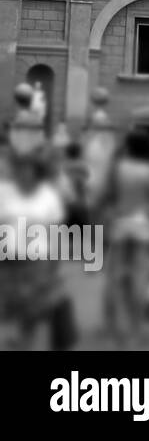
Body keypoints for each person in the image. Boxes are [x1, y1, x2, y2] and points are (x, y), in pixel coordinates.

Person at [0, 148, 73, 350]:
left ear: (36, 172)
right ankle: (17, 340)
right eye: (20, 169)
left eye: (28, 169)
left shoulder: (49, 196)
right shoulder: (4, 193)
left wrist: (57, 265)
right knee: (10, 310)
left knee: (32, 312)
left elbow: (56, 232)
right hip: (7, 262)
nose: (24, 174)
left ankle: (25, 343)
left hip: (36, 263)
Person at [102, 130, 149, 348]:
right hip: (142, 223)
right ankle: (135, 333)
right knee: (139, 278)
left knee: (115, 278)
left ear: (128, 146)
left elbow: (106, 195)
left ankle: (112, 331)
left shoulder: (117, 167)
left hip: (120, 221)